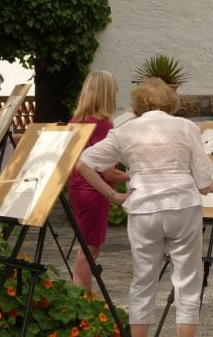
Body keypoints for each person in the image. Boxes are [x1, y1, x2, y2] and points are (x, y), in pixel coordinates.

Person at [75, 77, 213, 337]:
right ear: (171, 102)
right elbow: (204, 178)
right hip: (182, 206)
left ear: (139, 103)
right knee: (186, 279)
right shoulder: (185, 127)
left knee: (143, 279)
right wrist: (208, 185)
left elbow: (83, 162)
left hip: (143, 207)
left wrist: (112, 196)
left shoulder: (125, 130)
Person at [68, 70, 129, 291]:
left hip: (77, 188)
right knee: (90, 250)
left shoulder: (77, 121)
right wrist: (137, 174)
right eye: (113, 89)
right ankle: (80, 300)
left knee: (85, 247)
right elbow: (108, 173)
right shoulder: (102, 126)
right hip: (94, 192)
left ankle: (82, 298)